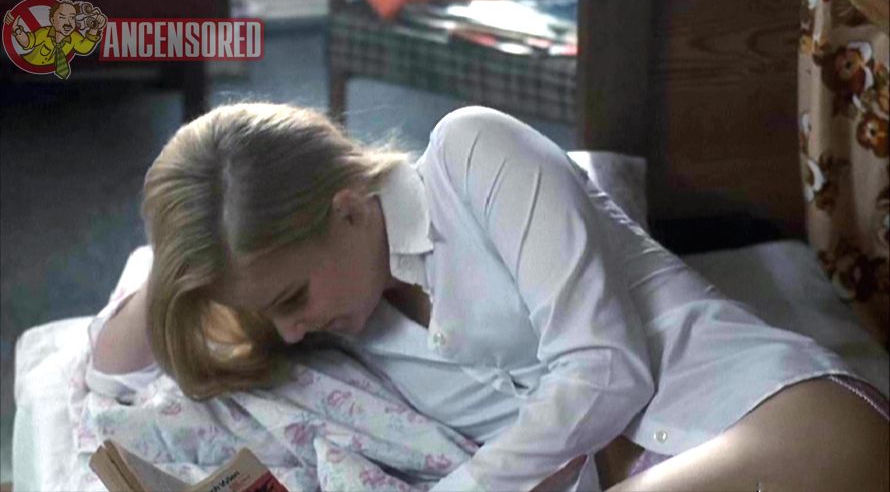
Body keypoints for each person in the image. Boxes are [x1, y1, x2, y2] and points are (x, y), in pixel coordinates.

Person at [90, 103, 889, 492]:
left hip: (779, 419)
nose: (290, 330)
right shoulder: (346, 333)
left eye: (292, 295)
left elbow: (605, 369)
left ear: (348, 206)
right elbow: (110, 368)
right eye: (271, 309)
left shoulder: (471, 153)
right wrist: (196, 227)